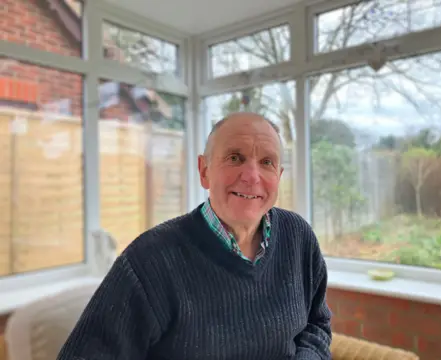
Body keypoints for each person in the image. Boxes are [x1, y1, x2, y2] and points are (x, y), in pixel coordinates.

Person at [57, 112, 332, 360]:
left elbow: (317, 324)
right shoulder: (149, 261)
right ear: (204, 171)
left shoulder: (298, 238)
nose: (251, 176)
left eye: (267, 162)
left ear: (279, 176)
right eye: (235, 158)